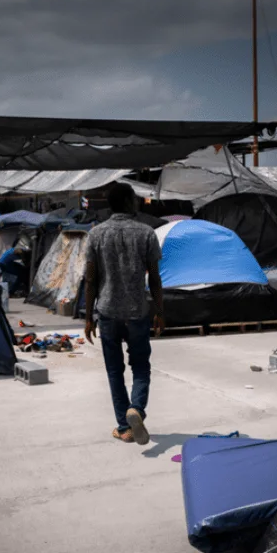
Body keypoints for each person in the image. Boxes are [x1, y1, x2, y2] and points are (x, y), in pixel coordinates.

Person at [84, 183, 165, 445]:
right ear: (129, 202)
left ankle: (124, 428)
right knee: (140, 366)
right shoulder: (146, 233)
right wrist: (159, 310)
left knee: (114, 370)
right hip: (137, 311)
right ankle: (136, 409)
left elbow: (90, 279)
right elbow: (155, 277)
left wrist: (88, 317)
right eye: (135, 199)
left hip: (107, 311)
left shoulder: (96, 234)